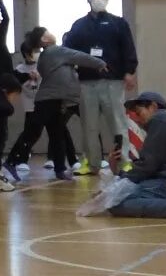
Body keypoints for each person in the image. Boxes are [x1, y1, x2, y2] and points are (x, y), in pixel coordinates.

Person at [63, 0, 139, 175]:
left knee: (118, 123)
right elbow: (68, 52)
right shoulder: (79, 25)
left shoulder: (118, 23)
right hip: (86, 82)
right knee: (89, 125)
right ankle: (91, 163)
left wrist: (129, 71)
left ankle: (124, 162)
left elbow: (128, 48)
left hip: (113, 81)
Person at [25, 26, 108, 181]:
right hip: (53, 99)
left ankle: (62, 167)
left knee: (57, 133)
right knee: (41, 132)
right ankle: (14, 161)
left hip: (61, 99)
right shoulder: (56, 51)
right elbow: (79, 57)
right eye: (48, 32)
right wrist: (100, 63)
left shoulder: (48, 55)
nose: (51, 33)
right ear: (44, 39)